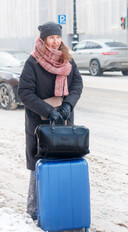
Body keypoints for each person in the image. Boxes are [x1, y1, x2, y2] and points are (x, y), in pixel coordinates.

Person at [18, 21, 83, 220]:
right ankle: (34, 211)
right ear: (43, 39)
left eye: (58, 37)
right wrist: (48, 110)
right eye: (51, 38)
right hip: (40, 124)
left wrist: (68, 105)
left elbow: (77, 84)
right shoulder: (33, 62)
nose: (55, 42)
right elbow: (24, 93)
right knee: (39, 164)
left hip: (63, 122)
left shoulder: (67, 60)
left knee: (64, 163)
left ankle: (61, 207)